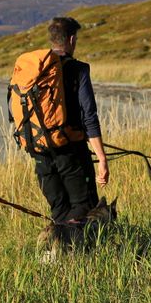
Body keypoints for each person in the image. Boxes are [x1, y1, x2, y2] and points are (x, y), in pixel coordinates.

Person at [30, 16, 110, 241]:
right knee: (84, 211)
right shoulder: (79, 70)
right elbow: (89, 117)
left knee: (59, 212)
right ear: (72, 40)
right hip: (72, 154)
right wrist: (101, 158)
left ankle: (57, 260)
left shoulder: (35, 71)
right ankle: (84, 263)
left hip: (41, 154)